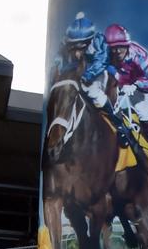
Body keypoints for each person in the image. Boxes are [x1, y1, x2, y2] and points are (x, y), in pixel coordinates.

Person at [51, 12, 135, 152]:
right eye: (74, 47)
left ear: (90, 40)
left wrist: (87, 76)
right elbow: (59, 58)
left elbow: (101, 62)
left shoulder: (99, 41)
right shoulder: (65, 42)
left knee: (93, 93)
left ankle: (118, 124)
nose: (78, 52)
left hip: (97, 70)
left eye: (82, 47)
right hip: (75, 71)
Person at [104, 23, 148, 166]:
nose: (117, 51)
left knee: (142, 111)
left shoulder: (139, 55)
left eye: (121, 46)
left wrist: (137, 85)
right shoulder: (105, 54)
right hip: (115, 85)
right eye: (113, 48)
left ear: (127, 44)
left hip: (137, 88)